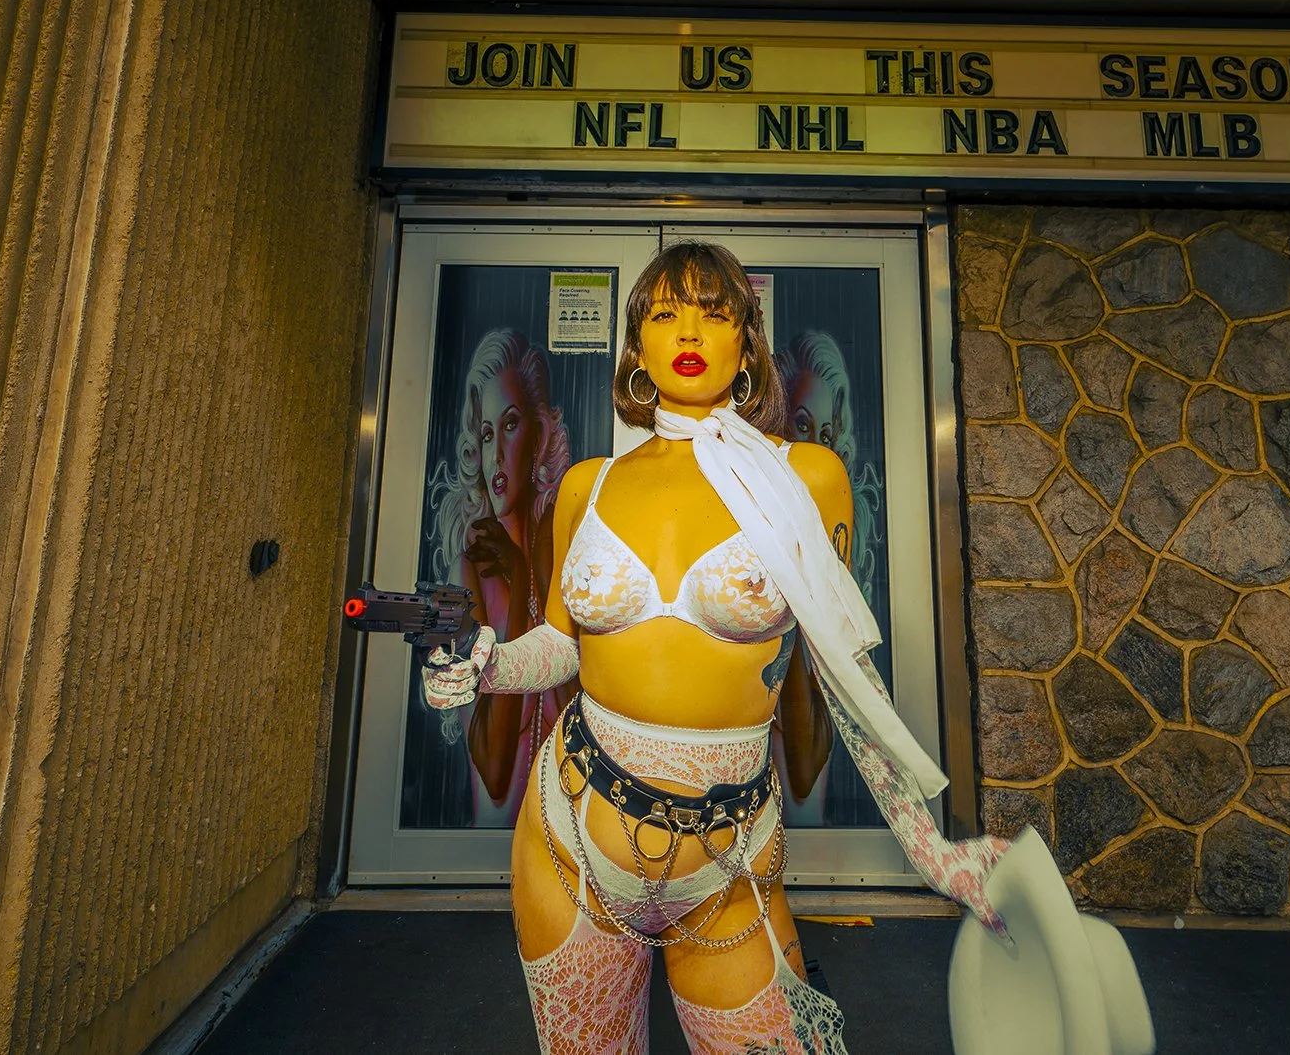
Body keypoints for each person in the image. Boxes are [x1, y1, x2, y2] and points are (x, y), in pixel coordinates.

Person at [423, 241, 1005, 1054]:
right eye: (664, 313)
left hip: (729, 861)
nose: (687, 329)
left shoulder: (806, 477)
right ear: (637, 349)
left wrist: (930, 848)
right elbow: (561, 645)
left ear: (746, 343)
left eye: (713, 310)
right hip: (570, 840)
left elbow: (844, 675)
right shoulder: (589, 484)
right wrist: (485, 664)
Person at [425, 328, 574, 821]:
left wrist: (528, 567)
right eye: (487, 433)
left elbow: (588, 710)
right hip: (494, 843)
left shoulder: (562, 540)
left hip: (576, 836)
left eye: (510, 426)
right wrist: (515, 575)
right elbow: (491, 767)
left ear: (539, 434)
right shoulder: (472, 563)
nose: (496, 454)